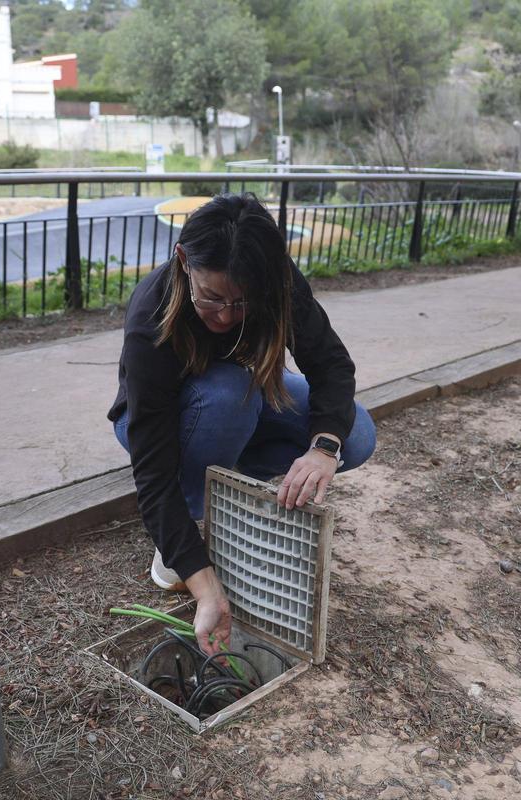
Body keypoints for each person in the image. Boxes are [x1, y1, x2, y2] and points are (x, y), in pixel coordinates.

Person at [108, 194, 376, 657]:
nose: (227, 316)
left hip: (241, 403)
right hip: (160, 422)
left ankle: (224, 490)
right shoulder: (152, 315)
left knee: (357, 434)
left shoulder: (276, 279)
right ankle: (189, 522)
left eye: (242, 302)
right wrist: (205, 587)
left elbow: (331, 364)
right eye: (212, 298)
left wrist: (323, 448)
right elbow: (151, 472)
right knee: (228, 394)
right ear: (183, 260)